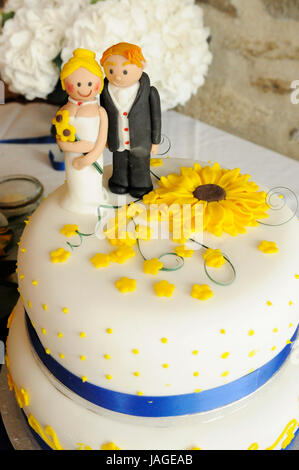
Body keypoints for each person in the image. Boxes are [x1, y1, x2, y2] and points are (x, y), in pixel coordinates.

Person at [100, 42, 161, 198]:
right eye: (111, 70)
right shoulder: (104, 92)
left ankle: (141, 184)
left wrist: (155, 141)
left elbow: (156, 117)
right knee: (119, 162)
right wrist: (105, 138)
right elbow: (104, 116)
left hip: (141, 140)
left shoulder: (149, 92)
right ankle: (120, 182)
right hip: (117, 140)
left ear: (141, 66)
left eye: (125, 71)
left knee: (140, 164)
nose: (118, 76)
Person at [54, 48, 108, 215]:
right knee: (75, 183)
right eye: (78, 84)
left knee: (89, 183)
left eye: (90, 83)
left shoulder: (100, 111)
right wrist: (66, 145)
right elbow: (60, 137)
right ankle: (75, 200)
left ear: (99, 83)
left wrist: (89, 157)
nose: (84, 88)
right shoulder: (64, 110)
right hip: (72, 160)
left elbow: (100, 140)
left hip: (91, 160)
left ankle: (92, 201)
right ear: (65, 84)